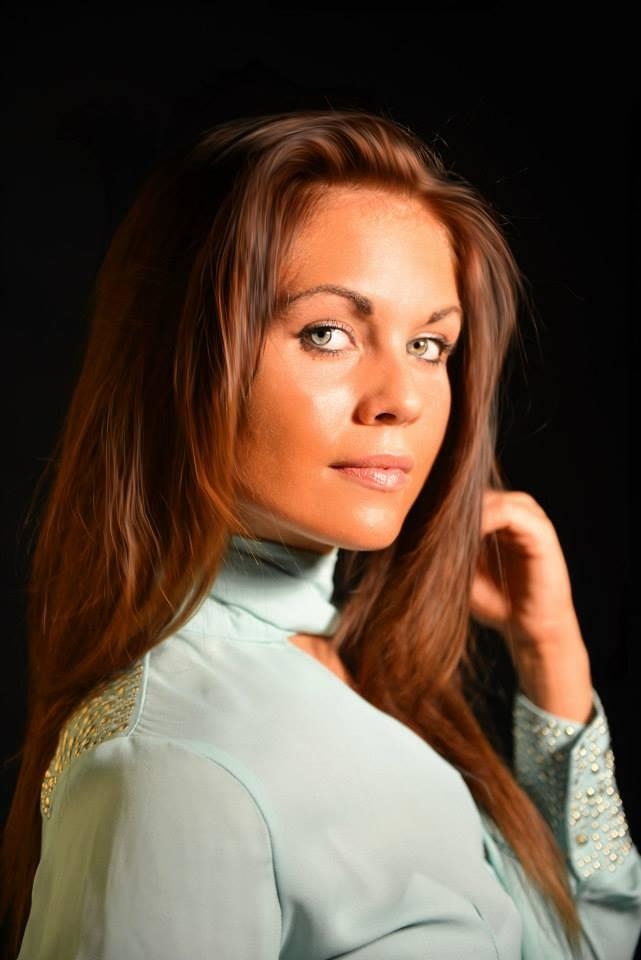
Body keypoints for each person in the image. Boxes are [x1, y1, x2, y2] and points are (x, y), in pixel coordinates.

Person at [1, 108, 639, 960]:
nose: (401, 398)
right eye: (327, 334)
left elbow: (587, 944)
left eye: (428, 344)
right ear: (179, 359)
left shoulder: (360, 672)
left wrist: (550, 660)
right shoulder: (174, 763)